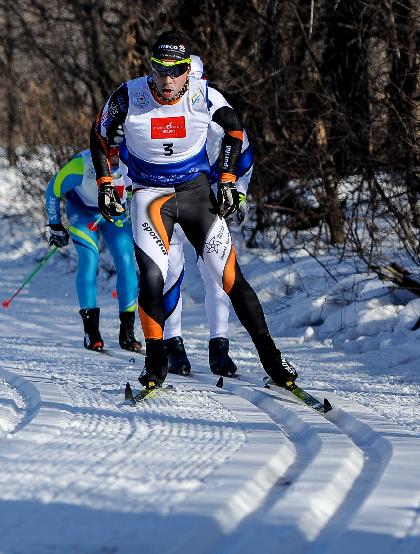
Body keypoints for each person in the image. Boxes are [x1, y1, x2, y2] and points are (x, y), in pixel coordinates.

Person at [89, 30, 298, 389]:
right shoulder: (130, 94)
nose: (167, 80)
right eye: (160, 70)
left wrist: (229, 180)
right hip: (151, 196)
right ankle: (156, 361)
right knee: (153, 276)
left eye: (176, 71)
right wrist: (106, 184)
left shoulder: (205, 96)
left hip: (196, 194)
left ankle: (272, 359)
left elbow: (235, 131)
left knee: (231, 278)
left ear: (188, 70)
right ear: (151, 68)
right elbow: (99, 134)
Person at [160, 54, 252, 377]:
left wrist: (237, 192)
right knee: (171, 268)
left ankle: (219, 347)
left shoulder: (213, 107)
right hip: (168, 197)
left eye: (197, 84)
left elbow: (244, 154)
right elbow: (137, 152)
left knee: (216, 272)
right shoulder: (161, 108)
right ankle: (173, 347)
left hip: (206, 199)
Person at [45, 148, 142, 353]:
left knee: (126, 261)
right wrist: (55, 225)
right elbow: (53, 189)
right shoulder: (82, 165)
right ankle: (92, 332)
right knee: (90, 259)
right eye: (110, 153)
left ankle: (127, 331)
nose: (115, 159)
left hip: (115, 213)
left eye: (120, 152)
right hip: (82, 212)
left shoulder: (134, 159)